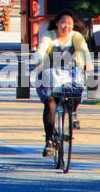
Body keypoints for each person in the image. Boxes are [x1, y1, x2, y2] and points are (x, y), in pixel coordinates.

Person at [34, 10, 90, 156]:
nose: (66, 26)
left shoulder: (76, 37)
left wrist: (87, 62)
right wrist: (39, 59)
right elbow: (41, 49)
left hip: (70, 72)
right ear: (57, 24)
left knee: (77, 87)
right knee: (50, 102)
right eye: (63, 23)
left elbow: (83, 49)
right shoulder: (49, 36)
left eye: (70, 23)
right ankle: (49, 140)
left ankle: (73, 112)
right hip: (50, 72)